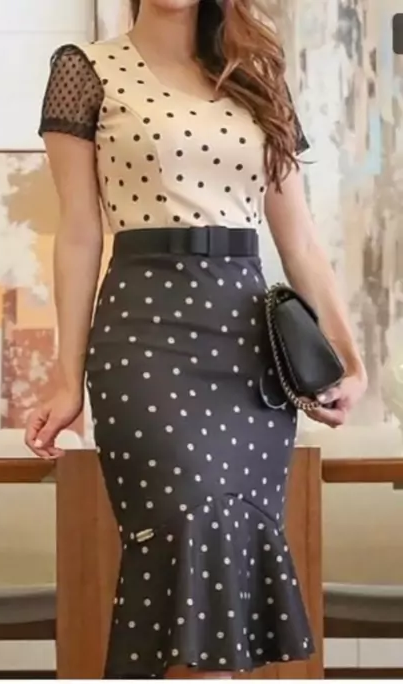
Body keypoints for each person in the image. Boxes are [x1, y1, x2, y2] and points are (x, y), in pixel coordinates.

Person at [25, 0, 367, 678]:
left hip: (244, 340)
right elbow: (80, 233)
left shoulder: (258, 74)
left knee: (232, 548)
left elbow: (299, 239)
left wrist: (348, 360)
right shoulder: (85, 69)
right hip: (143, 335)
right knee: (188, 525)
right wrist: (67, 378)